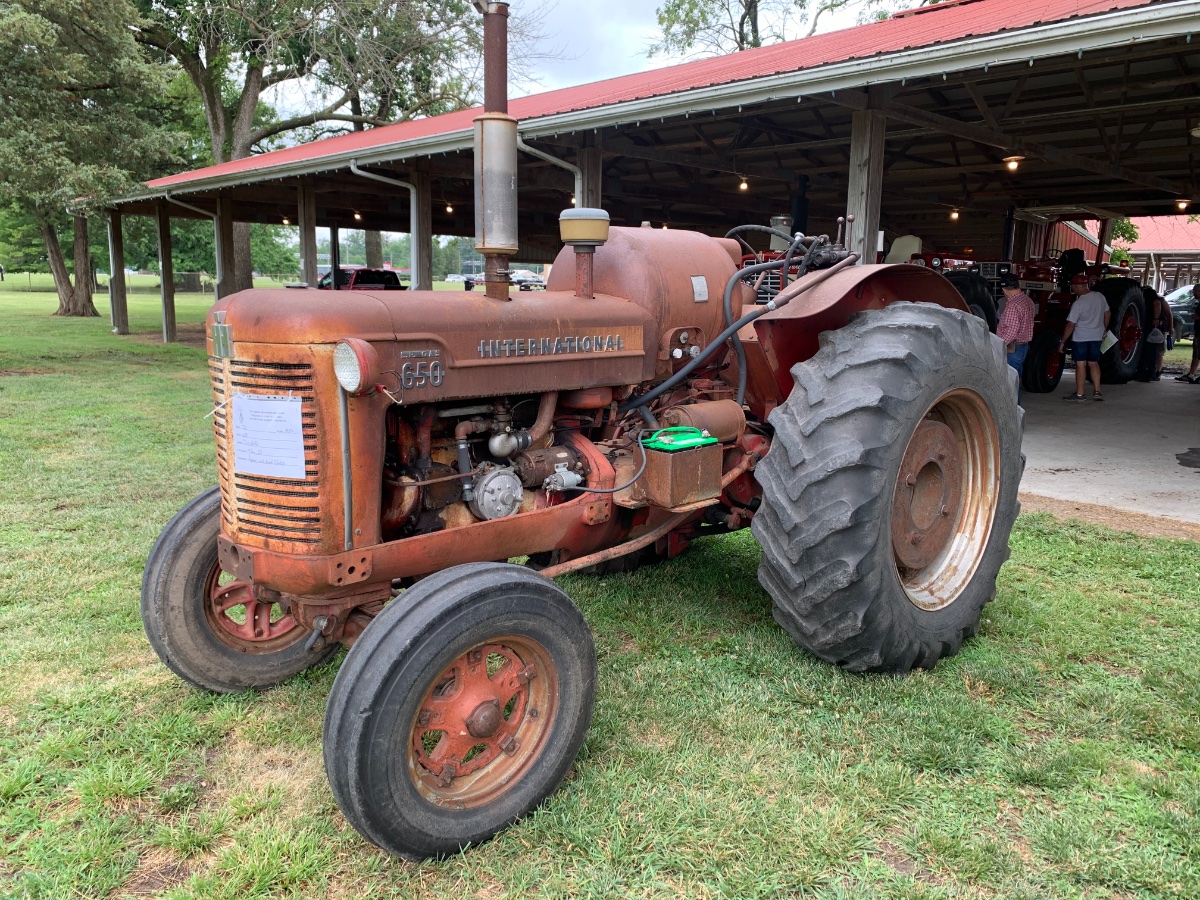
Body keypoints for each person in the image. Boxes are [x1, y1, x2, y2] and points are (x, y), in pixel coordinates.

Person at [1059, 272, 1110, 401]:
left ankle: (1080, 394)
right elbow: (1107, 313)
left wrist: (1062, 341)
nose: (1072, 288)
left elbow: (1071, 325)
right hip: (1096, 337)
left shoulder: (1078, 304)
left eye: (1073, 286)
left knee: (1080, 365)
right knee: (1094, 363)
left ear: (1077, 287)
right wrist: (1104, 328)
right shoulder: (1099, 297)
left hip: (1081, 338)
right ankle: (1097, 391)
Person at [995, 272, 1034, 401]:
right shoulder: (1027, 300)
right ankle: (1016, 407)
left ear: (1004, 289)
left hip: (1012, 349)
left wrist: (997, 344)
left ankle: (1012, 409)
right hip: (1022, 346)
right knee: (1015, 380)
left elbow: (1011, 331)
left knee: (1009, 383)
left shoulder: (1012, 305)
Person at [1176, 283, 1200, 384]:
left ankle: (1191, 374)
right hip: (1198, 332)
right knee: (1196, 355)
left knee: (1197, 355)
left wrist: (1196, 316)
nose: (1193, 293)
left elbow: (1197, 316)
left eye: (1194, 291)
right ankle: (1191, 374)